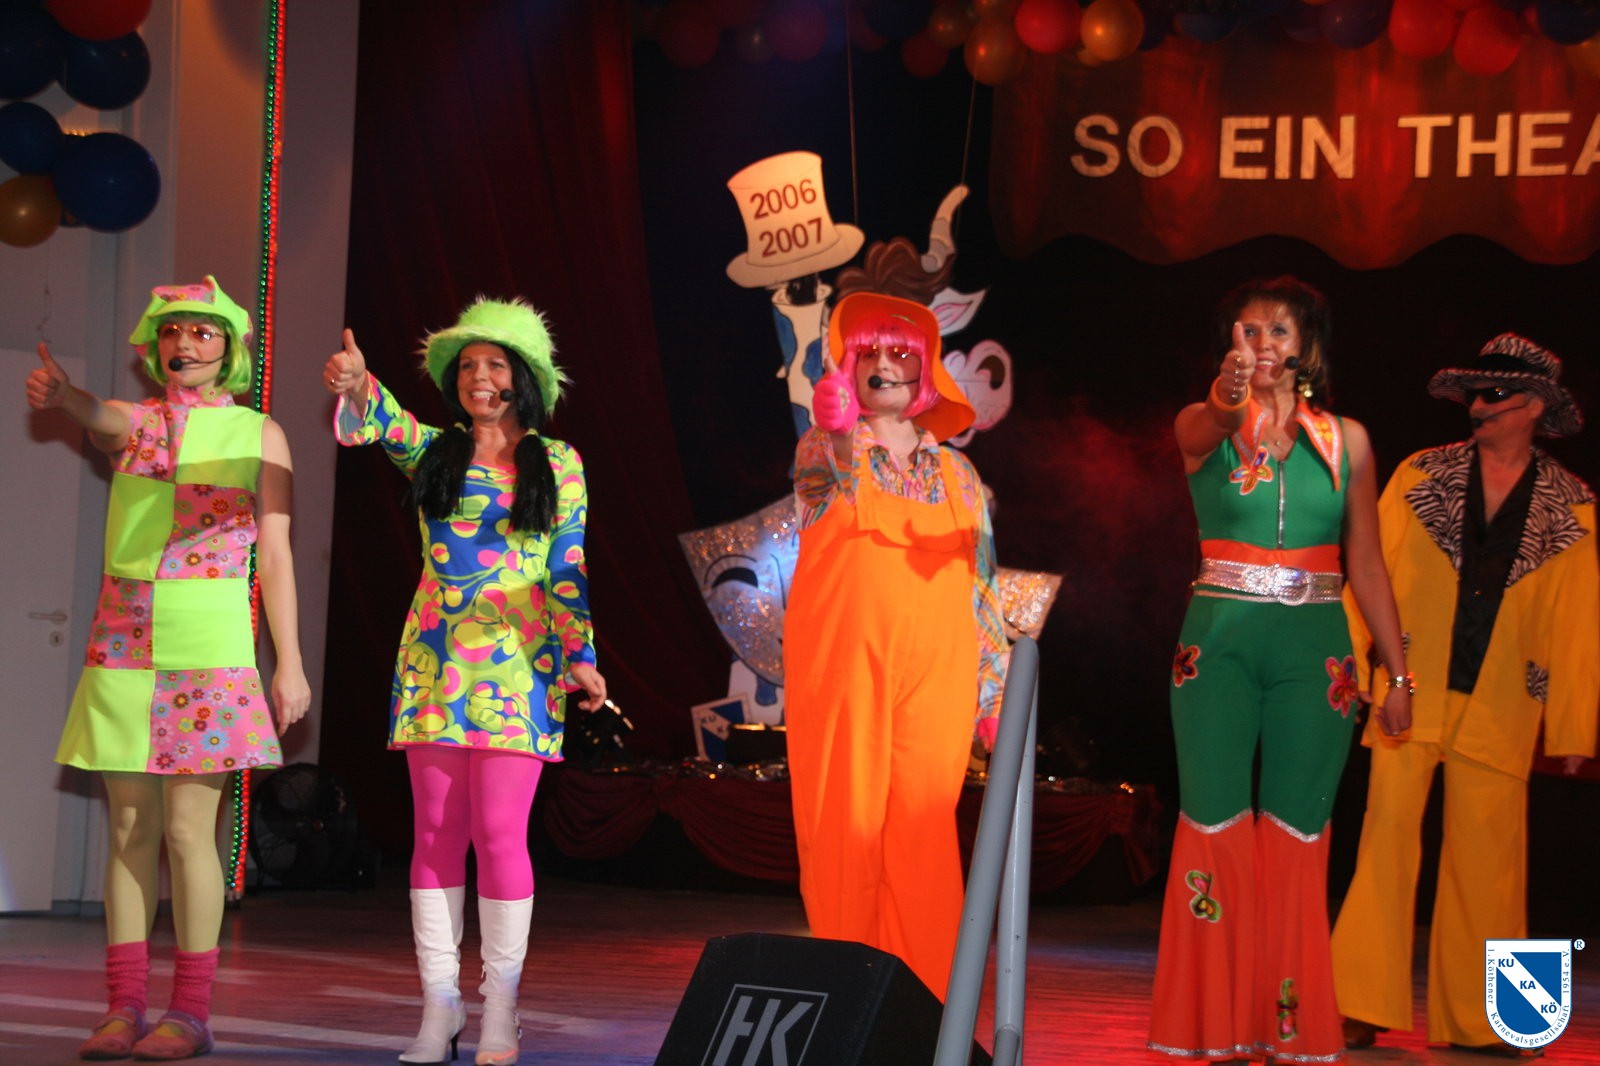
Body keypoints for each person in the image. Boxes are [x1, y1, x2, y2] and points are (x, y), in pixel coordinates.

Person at [25, 275, 311, 1061]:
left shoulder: (260, 433)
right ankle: (122, 1007)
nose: (186, 342)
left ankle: (190, 1012)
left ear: (230, 348)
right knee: (127, 829)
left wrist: (288, 661)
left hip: (209, 646)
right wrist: (67, 396)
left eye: (203, 331)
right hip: (125, 641)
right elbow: (100, 416)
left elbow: (276, 553)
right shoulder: (138, 421)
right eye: (173, 330)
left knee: (189, 833)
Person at [325, 297, 605, 1066]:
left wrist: (580, 652)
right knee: (435, 833)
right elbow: (384, 422)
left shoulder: (559, 462)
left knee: (501, 833)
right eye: (469, 366)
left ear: (524, 379)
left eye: (496, 365)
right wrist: (358, 383)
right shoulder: (436, 452)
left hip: (521, 666)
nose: (480, 377)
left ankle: (501, 1010)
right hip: (435, 663)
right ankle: (439, 1006)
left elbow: (568, 564)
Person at [1148, 276, 1412, 1064]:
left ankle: (1286, 1029)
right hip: (1217, 649)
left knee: (1298, 834)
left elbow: (1368, 564)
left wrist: (1398, 676)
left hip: (1317, 657)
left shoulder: (1349, 442)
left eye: (1278, 331)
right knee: (1214, 827)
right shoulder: (1204, 423)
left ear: (1308, 348)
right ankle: (1211, 1026)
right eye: (1248, 331)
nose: (1262, 344)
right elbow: (1208, 420)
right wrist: (1227, 394)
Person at [1331, 334, 1597, 1056]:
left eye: (1494, 394)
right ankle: (1356, 1002)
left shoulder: (1574, 507)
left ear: (1534, 406)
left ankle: (1495, 1020)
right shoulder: (1421, 475)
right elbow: (1370, 571)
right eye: (1473, 393)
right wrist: (1351, 670)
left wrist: (1573, 726)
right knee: (1384, 843)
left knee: (1492, 862)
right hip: (1408, 688)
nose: (1477, 406)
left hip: (1504, 700)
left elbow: (1579, 624)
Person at [782, 290, 1007, 998]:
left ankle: (925, 1006)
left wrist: (993, 697)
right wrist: (837, 428)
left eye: (901, 352)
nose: (884, 363)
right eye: (870, 352)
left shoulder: (961, 475)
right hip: (847, 669)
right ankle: (846, 999)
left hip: (940, 676)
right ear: (849, 368)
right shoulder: (824, 449)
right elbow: (833, 464)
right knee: (846, 830)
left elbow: (983, 590)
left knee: (924, 836)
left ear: (926, 372)